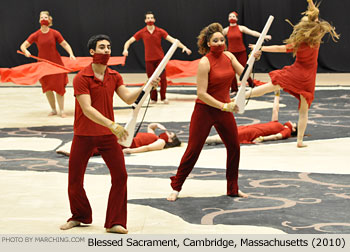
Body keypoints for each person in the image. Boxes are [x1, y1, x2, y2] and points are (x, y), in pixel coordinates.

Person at [59, 34, 159, 234]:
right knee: (75, 180)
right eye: (102, 47)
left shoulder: (114, 76)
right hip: (84, 135)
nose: (106, 50)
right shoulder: (81, 78)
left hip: (107, 136)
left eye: (108, 47)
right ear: (92, 52)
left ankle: (115, 221)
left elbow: (128, 98)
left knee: (121, 176)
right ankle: (80, 216)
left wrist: (146, 87)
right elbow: (87, 109)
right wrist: (112, 124)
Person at [167, 23, 261, 202]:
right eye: (215, 40)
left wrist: (253, 59)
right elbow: (201, 93)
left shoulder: (229, 56)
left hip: (224, 110)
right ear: (208, 43)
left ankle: (233, 188)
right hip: (205, 110)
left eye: (221, 40)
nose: (219, 43)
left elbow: (244, 75)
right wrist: (223, 106)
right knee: (193, 150)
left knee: (234, 147)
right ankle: (176, 186)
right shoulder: (204, 62)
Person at [245, 0, 339, 148]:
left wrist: (262, 48)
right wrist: (310, 3)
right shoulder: (316, 38)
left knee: (271, 86)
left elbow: (279, 48)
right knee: (303, 111)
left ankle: (243, 96)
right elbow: (315, 15)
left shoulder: (298, 43)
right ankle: (300, 141)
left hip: (295, 73)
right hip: (308, 78)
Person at [123, 11, 192, 104]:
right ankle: (153, 98)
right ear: (145, 20)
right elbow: (129, 41)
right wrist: (125, 49)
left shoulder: (160, 31)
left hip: (160, 59)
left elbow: (173, 40)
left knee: (163, 79)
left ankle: (163, 97)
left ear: (154, 19)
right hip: (149, 60)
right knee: (151, 80)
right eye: (148, 18)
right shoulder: (142, 32)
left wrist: (184, 47)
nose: (150, 20)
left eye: (151, 18)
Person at [20, 11, 76, 117]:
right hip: (43, 66)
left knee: (59, 88)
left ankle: (62, 110)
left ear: (50, 19)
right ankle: (53, 109)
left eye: (45, 17)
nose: (43, 19)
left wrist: (71, 53)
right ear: (39, 20)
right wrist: (26, 51)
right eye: (41, 17)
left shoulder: (55, 33)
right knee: (48, 88)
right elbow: (23, 46)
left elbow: (64, 43)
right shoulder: (36, 35)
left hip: (56, 64)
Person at [206, 90, 297, 145]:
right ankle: (203, 140)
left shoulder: (287, 131)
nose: (291, 121)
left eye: (294, 124)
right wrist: (277, 95)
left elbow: (277, 136)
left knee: (232, 137)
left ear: (293, 129)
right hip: (253, 128)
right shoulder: (278, 124)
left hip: (255, 132)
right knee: (230, 132)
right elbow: (275, 110)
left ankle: (204, 141)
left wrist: (263, 138)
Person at [56, 123, 181, 156]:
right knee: (105, 140)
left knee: (105, 146)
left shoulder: (161, 142)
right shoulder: (155, 136)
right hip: (129, 138)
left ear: (171, 141)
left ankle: (77, 152)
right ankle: (80, 148)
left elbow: (146, 148)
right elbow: (150, 126)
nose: (167, 133)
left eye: (171, 134)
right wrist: (160, 126)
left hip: (130, 143)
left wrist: (131, 151)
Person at [223, 11, 272, 92]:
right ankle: (234, 89)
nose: (231, 18)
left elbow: (252, 32)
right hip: (231, 53)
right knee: (231, 72)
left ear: (236, 18)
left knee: (244, 70)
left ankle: (251, 83)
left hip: (241, 52)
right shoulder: (226, 30)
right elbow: (217, 36)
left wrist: (264, 36)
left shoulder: (241, 28)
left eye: (233, 16)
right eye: (230, 16)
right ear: (228, 19)